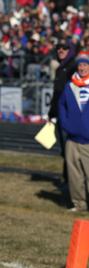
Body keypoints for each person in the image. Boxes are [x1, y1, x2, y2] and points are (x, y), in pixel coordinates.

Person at [58, 51, 89, 211]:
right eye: (80, 65)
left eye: (85, 65)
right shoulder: (70, 85)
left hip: (88, 141)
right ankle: (79, 203)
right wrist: (66, 123)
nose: (82, 68)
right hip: (72, 138)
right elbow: (62, 105)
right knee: (74, 175)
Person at [47, 38, 76, 186]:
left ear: (70, 50)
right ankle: (67, 179)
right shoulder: (60, 68)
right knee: (63, 150)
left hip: (70, 115)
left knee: (69, 150)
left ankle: (71, 181)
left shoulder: (73, 68)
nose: (61, 50)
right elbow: (56, 93)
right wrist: (51, 113)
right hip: (60, 113)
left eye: (64, 48)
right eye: (58, 48)